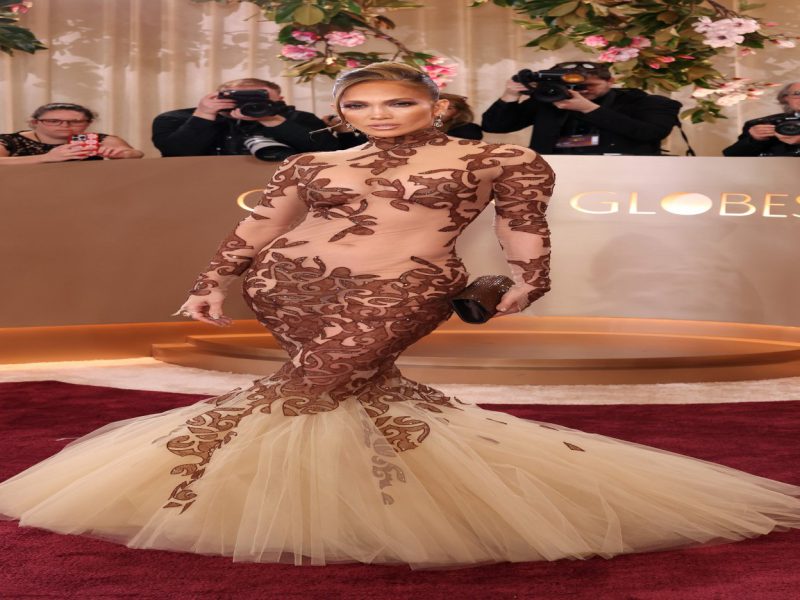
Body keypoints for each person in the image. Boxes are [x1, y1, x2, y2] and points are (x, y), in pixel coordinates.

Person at [0, 62, 798, 569]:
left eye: (397, 102)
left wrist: (531, 279)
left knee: (307, 390)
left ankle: (180, 495)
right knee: (359, 391)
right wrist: (211, 284)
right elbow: (260, 226)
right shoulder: (313, 160)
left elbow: (524, 226)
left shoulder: (499, 155)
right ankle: (362, 499)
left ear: (434, 103)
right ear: (341, 110)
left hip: (406, 287)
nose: (379, 114)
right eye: (361, 104)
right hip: (287, 285)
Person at [481, 61, 681, 155]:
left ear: (610, 81)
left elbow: (651, 132)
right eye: (570, 86)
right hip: (554, 173)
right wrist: (510, 95)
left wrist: (589, 109)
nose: (580, 91)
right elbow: (495, 126)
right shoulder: (550, 101)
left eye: (589, 85)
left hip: (623, 174)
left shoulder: (646, 102)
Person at [152, 77, 338, 158]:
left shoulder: (299, 118)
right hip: (203, 182)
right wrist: (204, 114)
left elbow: (330, 153)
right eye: (239, 98)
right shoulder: (175, 119)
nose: (247, 104)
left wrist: (272, 120)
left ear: (280, 100)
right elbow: (175, 154)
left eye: (259, 98)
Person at [0, 102, 144, 164]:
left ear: (88, 123)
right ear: (35, 122)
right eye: (54, 121)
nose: (65, 126)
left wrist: (123, 154)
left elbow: (136, 153)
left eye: (75, 122)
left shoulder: (95, 138)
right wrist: (46, 157)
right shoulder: (10, 140)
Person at [723, 82, 800, 156]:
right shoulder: (761, 123)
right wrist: (754, 139)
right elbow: (732, 155)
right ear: (786, 98)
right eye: (797, 94)